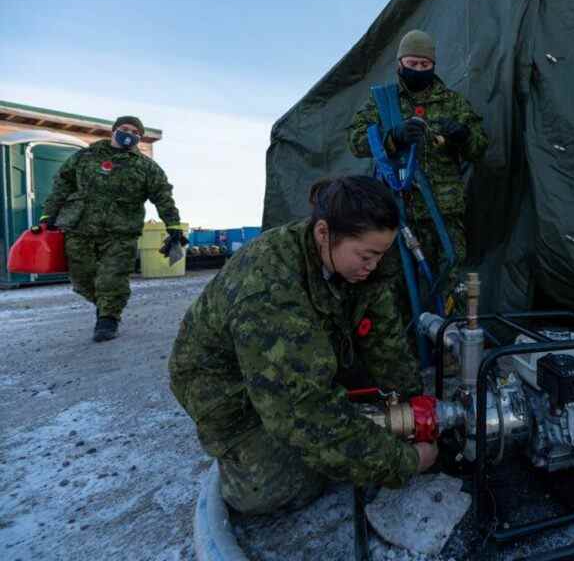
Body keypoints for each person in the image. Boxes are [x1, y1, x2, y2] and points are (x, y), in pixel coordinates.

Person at [169, 176, 438, 515]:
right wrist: (404, 462)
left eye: (380, 255)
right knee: (275, 484)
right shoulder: (269, 286)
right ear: (324, 233)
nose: (372, 266)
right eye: (366, 256)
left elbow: (385, 341)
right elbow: (301, 408)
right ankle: (243, 455)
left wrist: (413, 405)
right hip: (227, 386)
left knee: (344, 426)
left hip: (299, 361)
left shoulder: (363, 264)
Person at [348, 29, 488, 311]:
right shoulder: (382, 101)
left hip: (445, 214)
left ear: (433, 66)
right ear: (400, 63)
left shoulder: (452, 102)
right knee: (395, 290)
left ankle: (452, 349)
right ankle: (404, 352)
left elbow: (479, 148)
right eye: (412, 63)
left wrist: (462, 136)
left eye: (425, 65)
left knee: (453, 287)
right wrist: (393, 137)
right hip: (398, 214)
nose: (419, 69)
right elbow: (356, 141)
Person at [40, 115, 184, 342]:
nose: (131, 134)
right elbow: (62, 184)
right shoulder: (84, 157)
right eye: (126, 129)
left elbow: (163, 197)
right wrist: (49, 213)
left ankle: (108, 319)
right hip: (80, 227)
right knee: (82, 278)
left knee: (113, 278)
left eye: (136, 133)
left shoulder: (147, 167)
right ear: (114, 131)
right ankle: (104, 304)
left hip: (121, 231)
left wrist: (173, 225)